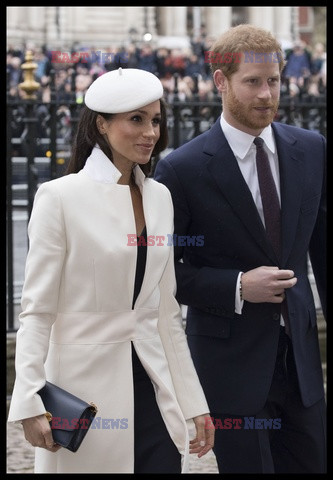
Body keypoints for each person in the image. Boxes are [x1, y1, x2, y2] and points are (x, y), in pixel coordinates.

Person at [7, 67, 214, 474]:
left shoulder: (160, 198)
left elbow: (166, 313)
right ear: (101, 125)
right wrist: (29, 399)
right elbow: (37, 310)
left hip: (154, 389)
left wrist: (194, 402)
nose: (150, 132)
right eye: (135, 119)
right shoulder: (59, 198)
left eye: (155, 120)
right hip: (82, 399)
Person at [154, 24, 326, 474]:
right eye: (253, 82)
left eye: (274, 80)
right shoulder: (181, 169)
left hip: (302, 362)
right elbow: (163, 273)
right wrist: (236, 286)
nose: (267, 94)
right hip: (229, 366)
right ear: (220, 81)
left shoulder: (311, 149)